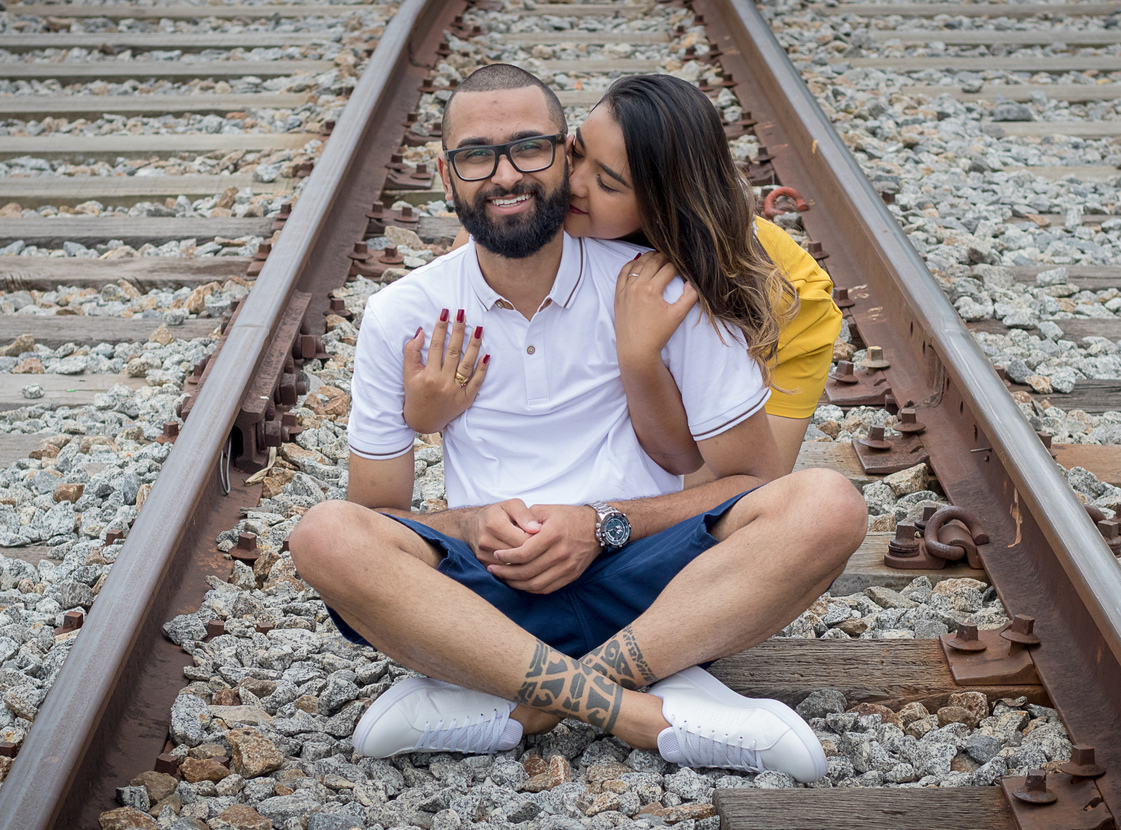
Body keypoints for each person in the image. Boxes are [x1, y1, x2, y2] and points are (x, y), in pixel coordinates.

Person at [289, 64, 866, 783]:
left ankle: (522, 704)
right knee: (325, 533)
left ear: (565, 155)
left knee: (828, 504)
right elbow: (378, 514)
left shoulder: (657, 284)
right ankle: (643, 712)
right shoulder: (403, 314)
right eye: (477, 155)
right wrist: (471, 523)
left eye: (529, 147)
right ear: (446, 176)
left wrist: (598, 522)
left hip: (653, 591)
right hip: (488, 593)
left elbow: (748, 481)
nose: (505, 175)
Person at [404, 73, 842, 480]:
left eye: (608, 185)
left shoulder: (699, 262)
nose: (574, 183)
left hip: (786, 321)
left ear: (659, 206)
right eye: (576, 154)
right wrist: (425, 415)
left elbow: (735, 477)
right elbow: (461, 292)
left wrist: (639, 356)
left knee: (719, 500)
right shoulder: (545, 202)